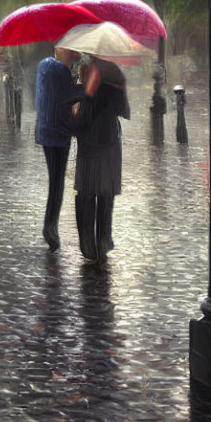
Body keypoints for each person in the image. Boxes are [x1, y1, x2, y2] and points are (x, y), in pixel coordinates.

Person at [64, 56, 130, 265]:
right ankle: (102, 241)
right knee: (104, 194)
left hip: (91, 147)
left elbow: (78, 122)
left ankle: (89, 244)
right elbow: (123, 110)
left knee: (87, 193)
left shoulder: (88, 89)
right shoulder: (113, 80)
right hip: (108, 144)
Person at [34, 46, 79, 251]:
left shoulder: (44, 65)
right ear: (58, 48)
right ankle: (50, 227)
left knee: (55, 180)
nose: (72, 52)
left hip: (45, 131)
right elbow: (68, 103)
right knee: (57, 182)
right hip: (59, 134)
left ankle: (50, 225)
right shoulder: (61, 71)